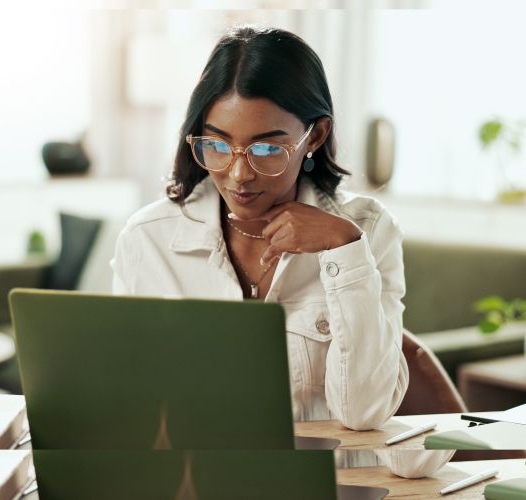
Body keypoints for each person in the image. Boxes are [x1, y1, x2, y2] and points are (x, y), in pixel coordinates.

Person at [111, 25, 451, 473]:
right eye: (216, 145)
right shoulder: (148, 239)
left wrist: (345, 250)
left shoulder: (368, 231)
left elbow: (364, 413)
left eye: (267, 148)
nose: (238, 174)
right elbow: (128, 406)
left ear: (313, 136)